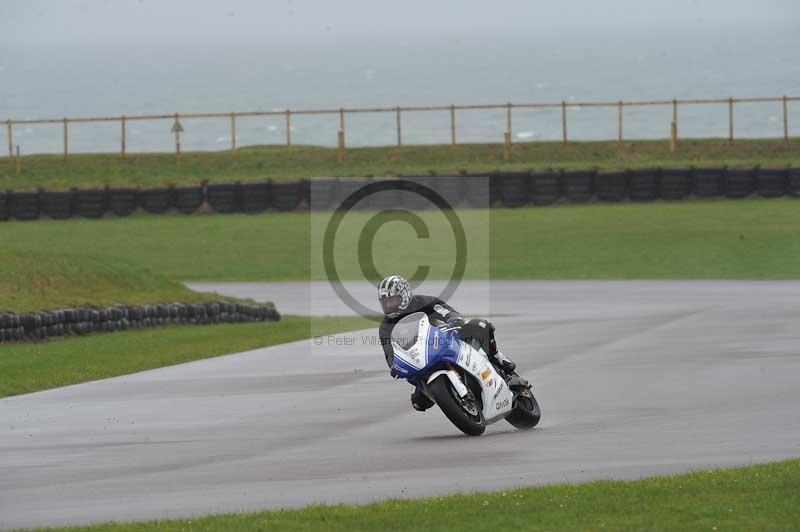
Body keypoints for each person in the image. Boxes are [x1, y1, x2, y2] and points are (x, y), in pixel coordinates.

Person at [377, 274, 518, 412]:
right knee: (418, 403)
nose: (388, 305)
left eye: (392, 301)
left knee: (480, 325)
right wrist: (394, 366)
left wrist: (453, 317)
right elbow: (389, 352)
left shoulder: (424, 302)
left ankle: (498, 357)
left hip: (443, 340)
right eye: (385, 302)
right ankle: (453, 399)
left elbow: (445, 310)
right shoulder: (385, 327)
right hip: (419, 360)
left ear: (404, 295)